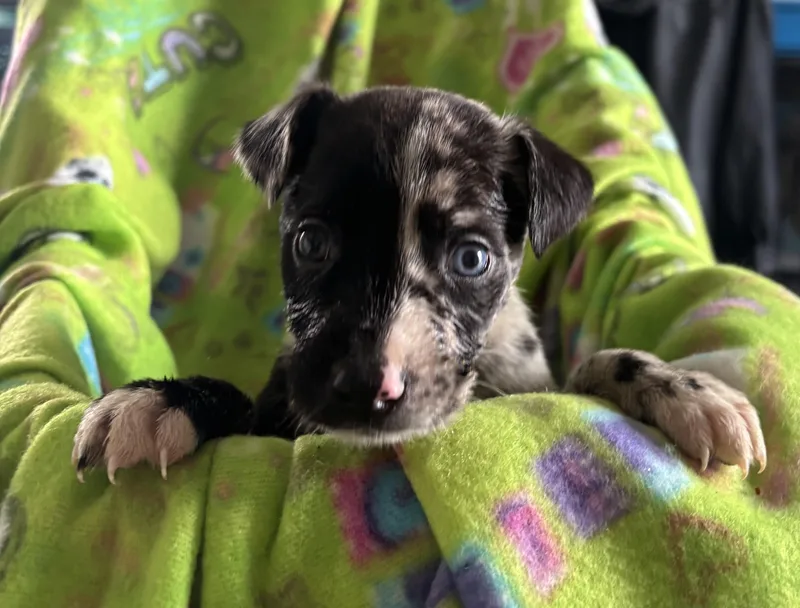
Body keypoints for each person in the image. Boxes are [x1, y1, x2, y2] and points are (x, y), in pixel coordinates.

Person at [0, 0, 797, 605]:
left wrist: (636, 377)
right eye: (317, 247)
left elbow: (564, 425)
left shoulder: (527, 364)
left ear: (525, 239)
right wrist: (199, 403)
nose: (380, 365)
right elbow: (258, 443)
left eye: (470, 257)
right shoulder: (300, 152)